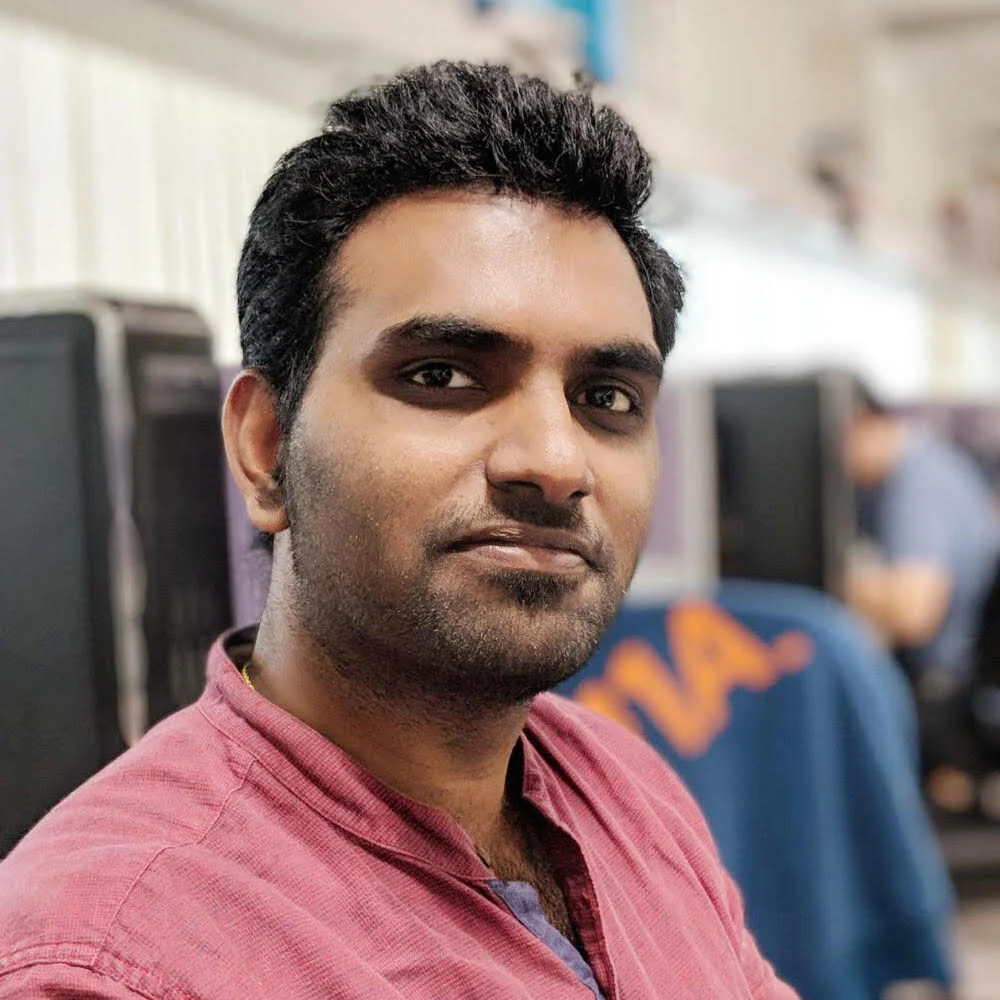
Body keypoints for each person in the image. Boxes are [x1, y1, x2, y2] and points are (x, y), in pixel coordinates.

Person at [0, 62, 797, 999]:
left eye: (607, 398)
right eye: (441, 376)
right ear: (266, 446)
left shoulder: (625, 787)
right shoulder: (108, 962)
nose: (555, 460)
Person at [844, 381, 1000, 803]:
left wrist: (836, 577)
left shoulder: (918, 482)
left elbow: (914, 614)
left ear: (864, 423)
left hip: (946, 697)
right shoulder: (924, 468)